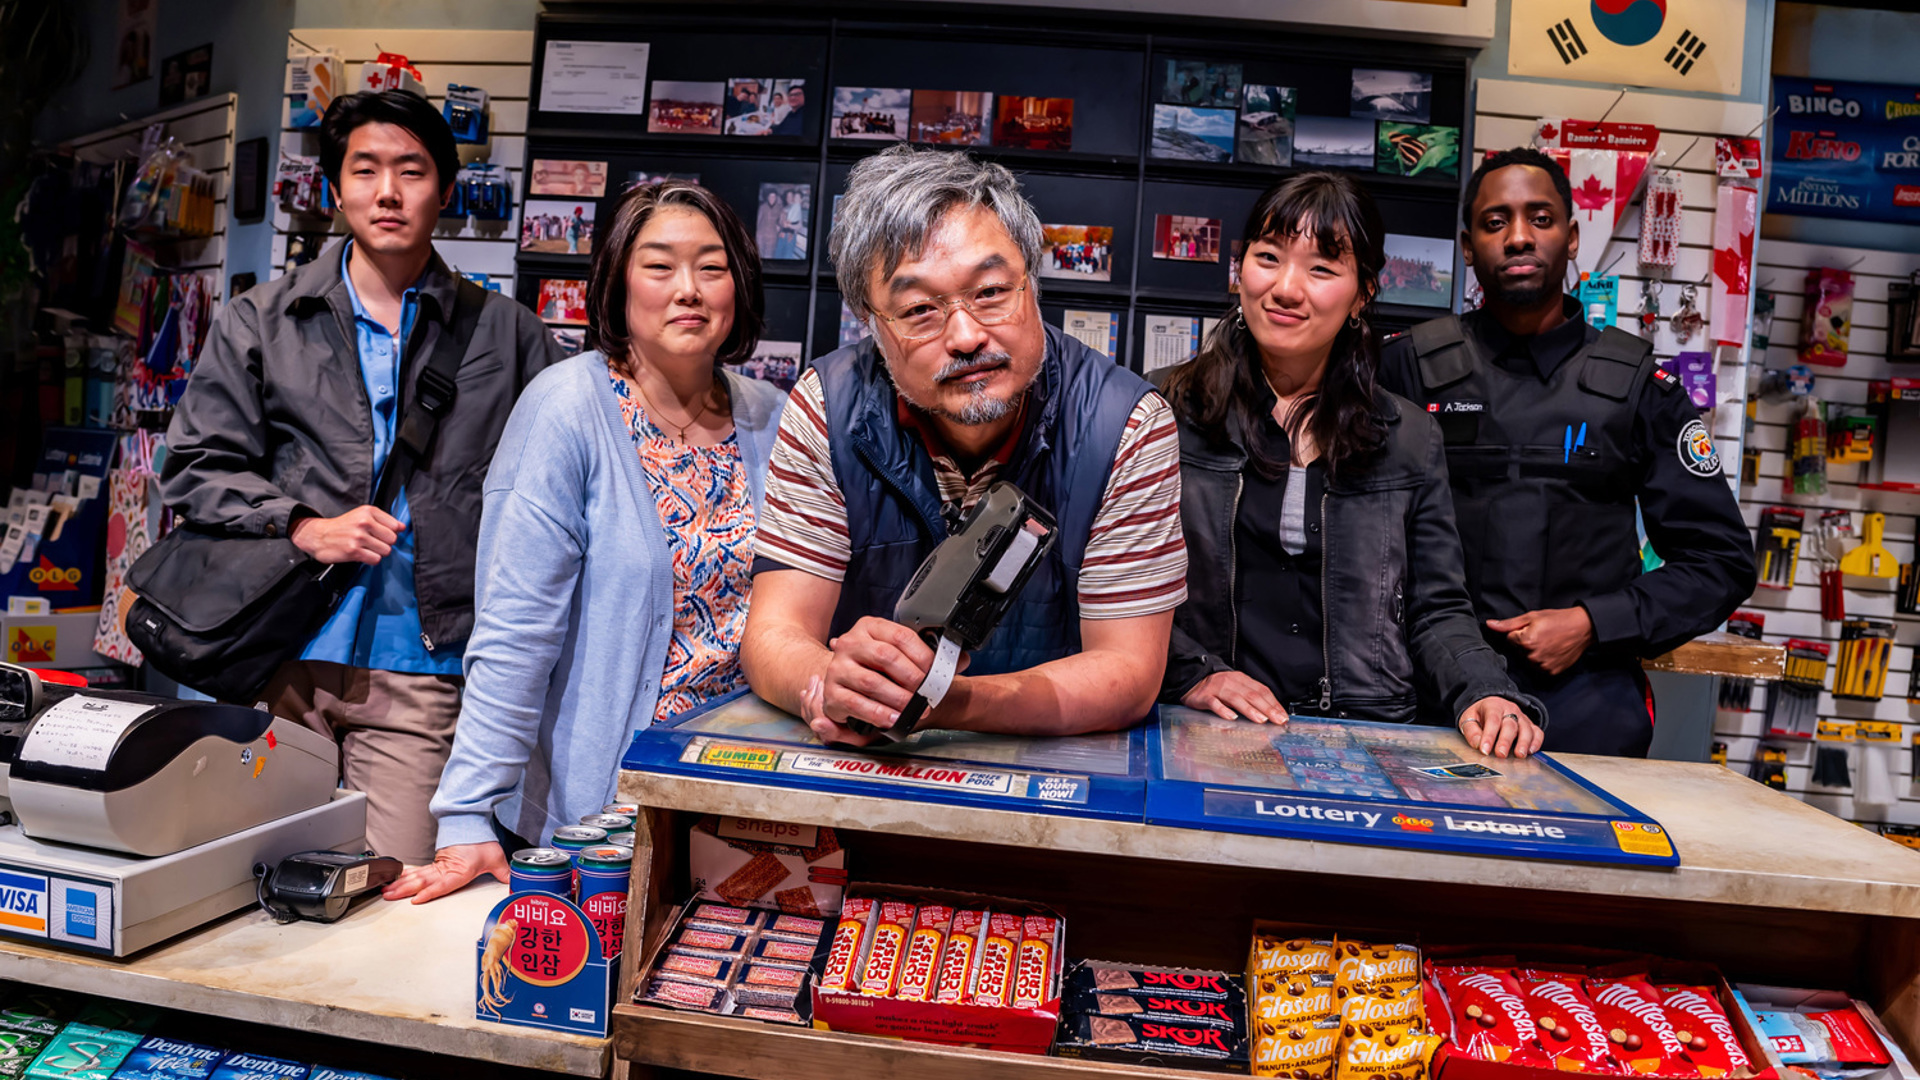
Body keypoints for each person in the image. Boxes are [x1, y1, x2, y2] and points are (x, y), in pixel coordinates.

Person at [160, 90, 562, 864]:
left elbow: (559, 492)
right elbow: (194, 466)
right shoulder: (262, 320)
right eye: (365, 169)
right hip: (278, 650)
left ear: (445, 190)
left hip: (425, 664)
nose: (387, 192)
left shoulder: (510, 336)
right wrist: (301, 527)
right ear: (334, 187)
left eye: (411, 171)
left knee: (395, 886)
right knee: (249, 882)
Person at [385, 181, 786, 902]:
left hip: (742, 806)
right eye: (659, 266)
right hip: (597, 825)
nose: (688, 290)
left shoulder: (773, 418)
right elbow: (515, 632)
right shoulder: (566, 409)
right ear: (616, 282)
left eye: (713, 267)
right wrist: (468, 813)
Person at [740, 145, 1186, 744]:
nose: (967, 335)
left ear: (1032, 283)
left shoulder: (1126, 425)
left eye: (992, 292)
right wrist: (832, 682)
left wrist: (944, 702)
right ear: (871, 325)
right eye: (920, 309)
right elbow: (773, 633)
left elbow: (1129, 673)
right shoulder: (827, 406)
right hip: (865, 774)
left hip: (1058, 780)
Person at [1378, 147, 1756, 757]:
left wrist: (1595, 623)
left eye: (1541, 218)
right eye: (1495, 222)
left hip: (1584, 702)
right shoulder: (1404, 369)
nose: (1519, 236)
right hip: (1424, 697)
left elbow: (1720, 562)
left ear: (1573, 237)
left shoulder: (1638, 387)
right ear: (1469, 247)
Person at [1158, 173, 1544, 758]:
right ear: (1240, 270)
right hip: (1206, 733)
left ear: (1363, 292)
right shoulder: (1165, 412)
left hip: (1366, 739)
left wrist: (1484, 692)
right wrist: (1192, 673)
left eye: (1321, 268)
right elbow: (1114, 588)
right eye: (1268, 257)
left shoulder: (1409, 436)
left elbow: (1436, 608)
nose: (1286, 288)